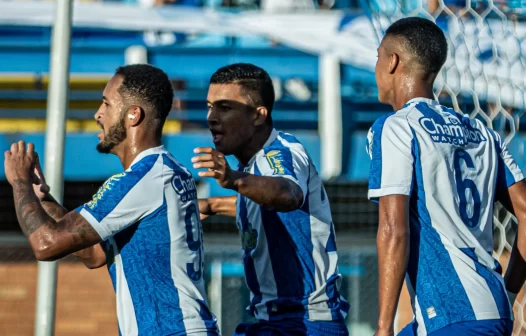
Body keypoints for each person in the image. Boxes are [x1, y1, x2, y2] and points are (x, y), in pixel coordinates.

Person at [3, 64, 219, 336]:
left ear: (133, 114)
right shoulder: (163, 173)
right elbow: (94, 254)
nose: (98, 114)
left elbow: (46, 244)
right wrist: (41, 198)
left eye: (106, 103)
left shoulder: (144, 179)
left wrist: (19, 181)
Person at [367, 16, 526, 336]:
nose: (376, 67)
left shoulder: (397, 127)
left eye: (378, 56)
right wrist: (509, 289)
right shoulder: (482, 131)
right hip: (493, 311)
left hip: (449, 313)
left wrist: (383, 327)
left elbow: (393, 229)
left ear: (392, 61)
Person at [193, 63, 349, 336]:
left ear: (258, 115)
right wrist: (214, 205)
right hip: (276, 322)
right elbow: (268, 208)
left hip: (305, 322)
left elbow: (288, 195)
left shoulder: (280, 153)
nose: (211, 117)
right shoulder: (255, 170)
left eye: (225, 108)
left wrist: (233, 179)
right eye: (209, 106)